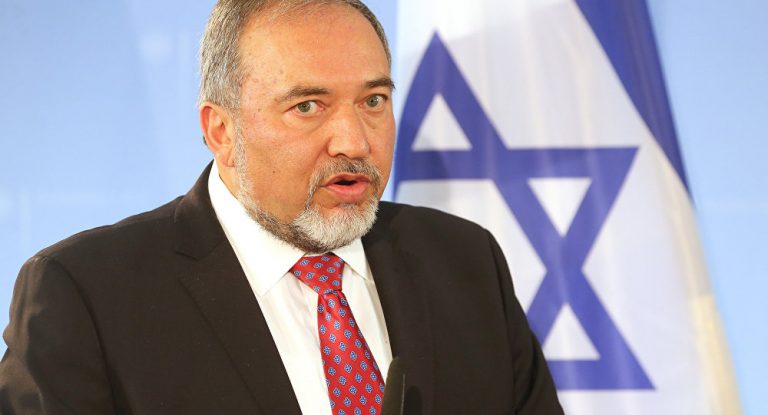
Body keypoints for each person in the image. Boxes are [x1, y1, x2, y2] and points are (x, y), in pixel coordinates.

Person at [0, 1, 563, 414]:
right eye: (308, 106)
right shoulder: (86, 295)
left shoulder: (465, 262)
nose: (354, 141)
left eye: (373, 100)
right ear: (221, 131)